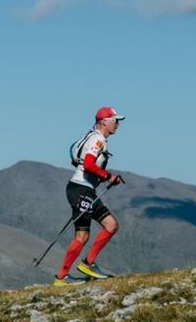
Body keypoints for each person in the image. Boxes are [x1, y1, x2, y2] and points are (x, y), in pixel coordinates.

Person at [54, 106, 126, 286]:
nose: (117, 124)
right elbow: (87, 164)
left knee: (111, 225)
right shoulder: (98, 140)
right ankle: (62, 277)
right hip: (80, 189)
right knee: (82, 235)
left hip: (84, 189)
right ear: (104, 121)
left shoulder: (95, 138)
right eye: (114, 120)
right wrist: (109, 176)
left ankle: (87, 264)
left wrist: (105, 177)